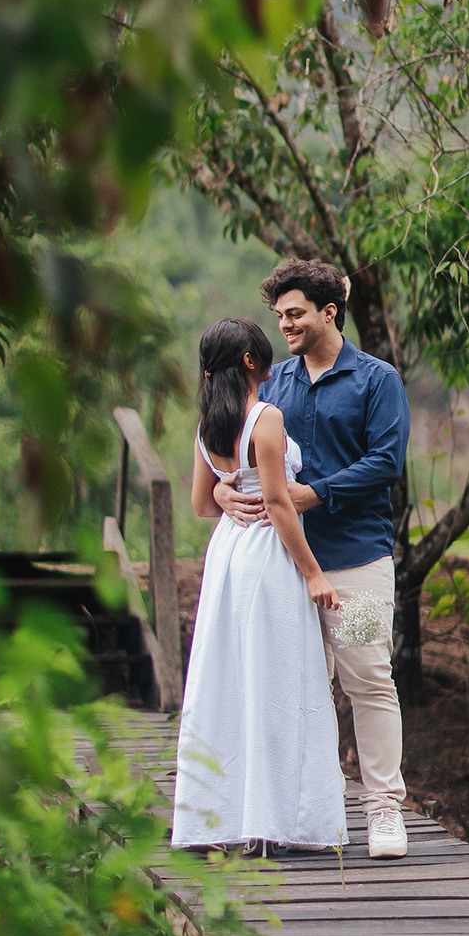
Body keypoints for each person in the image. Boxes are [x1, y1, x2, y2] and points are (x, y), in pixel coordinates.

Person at [211, 259, 411, 859]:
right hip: (284, 568)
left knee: (369, 679)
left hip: (356, 563)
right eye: (279, 316)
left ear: (330, 311)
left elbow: (386, 461)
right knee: (296, 686)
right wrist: (221, 488)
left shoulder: (377, 381)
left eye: (294, 313)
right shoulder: (274, 387)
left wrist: (316, 492)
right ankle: (296, 811)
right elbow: (233, 445)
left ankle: (383, 811)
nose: (285, 325)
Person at [170, 317, 349, 857]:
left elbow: (202, 506)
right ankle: (270, 823)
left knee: (228, 679)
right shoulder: (264, 418)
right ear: (251, 362)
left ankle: (224, 815)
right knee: (277, 678)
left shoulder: (210, 425)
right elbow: (276, 503)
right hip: (268, 554)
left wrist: (226, 494)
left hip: (226, 555)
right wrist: (314, 573)